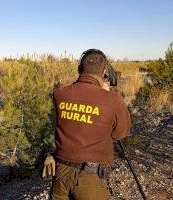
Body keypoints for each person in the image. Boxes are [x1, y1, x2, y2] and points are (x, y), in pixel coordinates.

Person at [42, 49, 131, 200]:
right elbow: (120, 133)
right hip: (91, 178)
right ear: (104, 73)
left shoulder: (60, 94)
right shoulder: (113, 100)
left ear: (79, 69)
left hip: (60, 173)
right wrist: (105, 93)